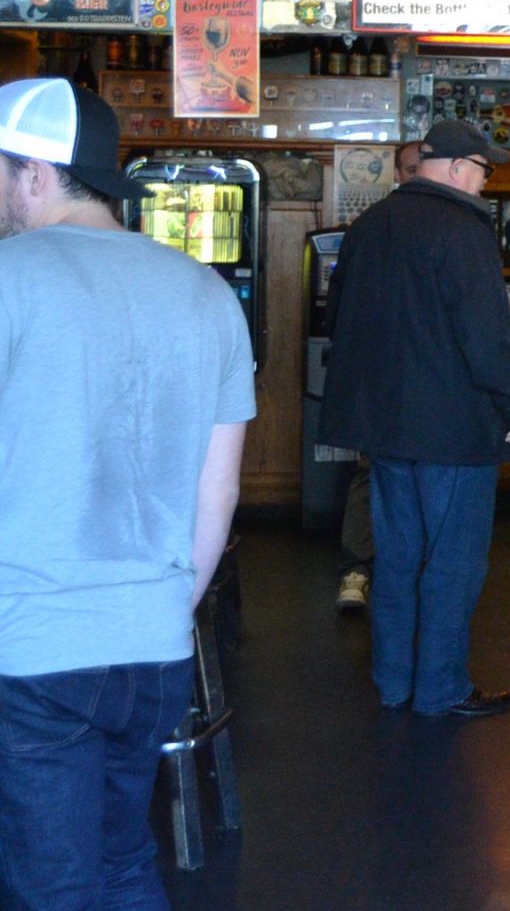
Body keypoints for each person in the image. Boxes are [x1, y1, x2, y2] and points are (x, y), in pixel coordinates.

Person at [0, 78, 251, 906]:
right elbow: (217, 497)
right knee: (122, 863)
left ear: (35, 173)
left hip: (29, 645)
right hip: (154, 643)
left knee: (51, 884)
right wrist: (168, 606)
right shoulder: (208, 294)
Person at [320, 120, 510, 719]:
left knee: (397, 556)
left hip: (386, 426)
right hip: (454, 428)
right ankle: (439, 688)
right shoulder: (464, 229)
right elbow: (489, 339)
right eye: (486, 173)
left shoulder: (370, 225)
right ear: (463, 168)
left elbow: (336, 317)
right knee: (454, 562)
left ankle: (394, 683)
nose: (486, 186)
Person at [337, 139, 422, 610]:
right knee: (371, 472)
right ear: (397, 173)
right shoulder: (373, 228)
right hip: (381, 372)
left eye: (419, 168)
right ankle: (357, 570)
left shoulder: (437, 228)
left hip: (416, 375)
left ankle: (390, 576)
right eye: (408, 169)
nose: (414, 176)